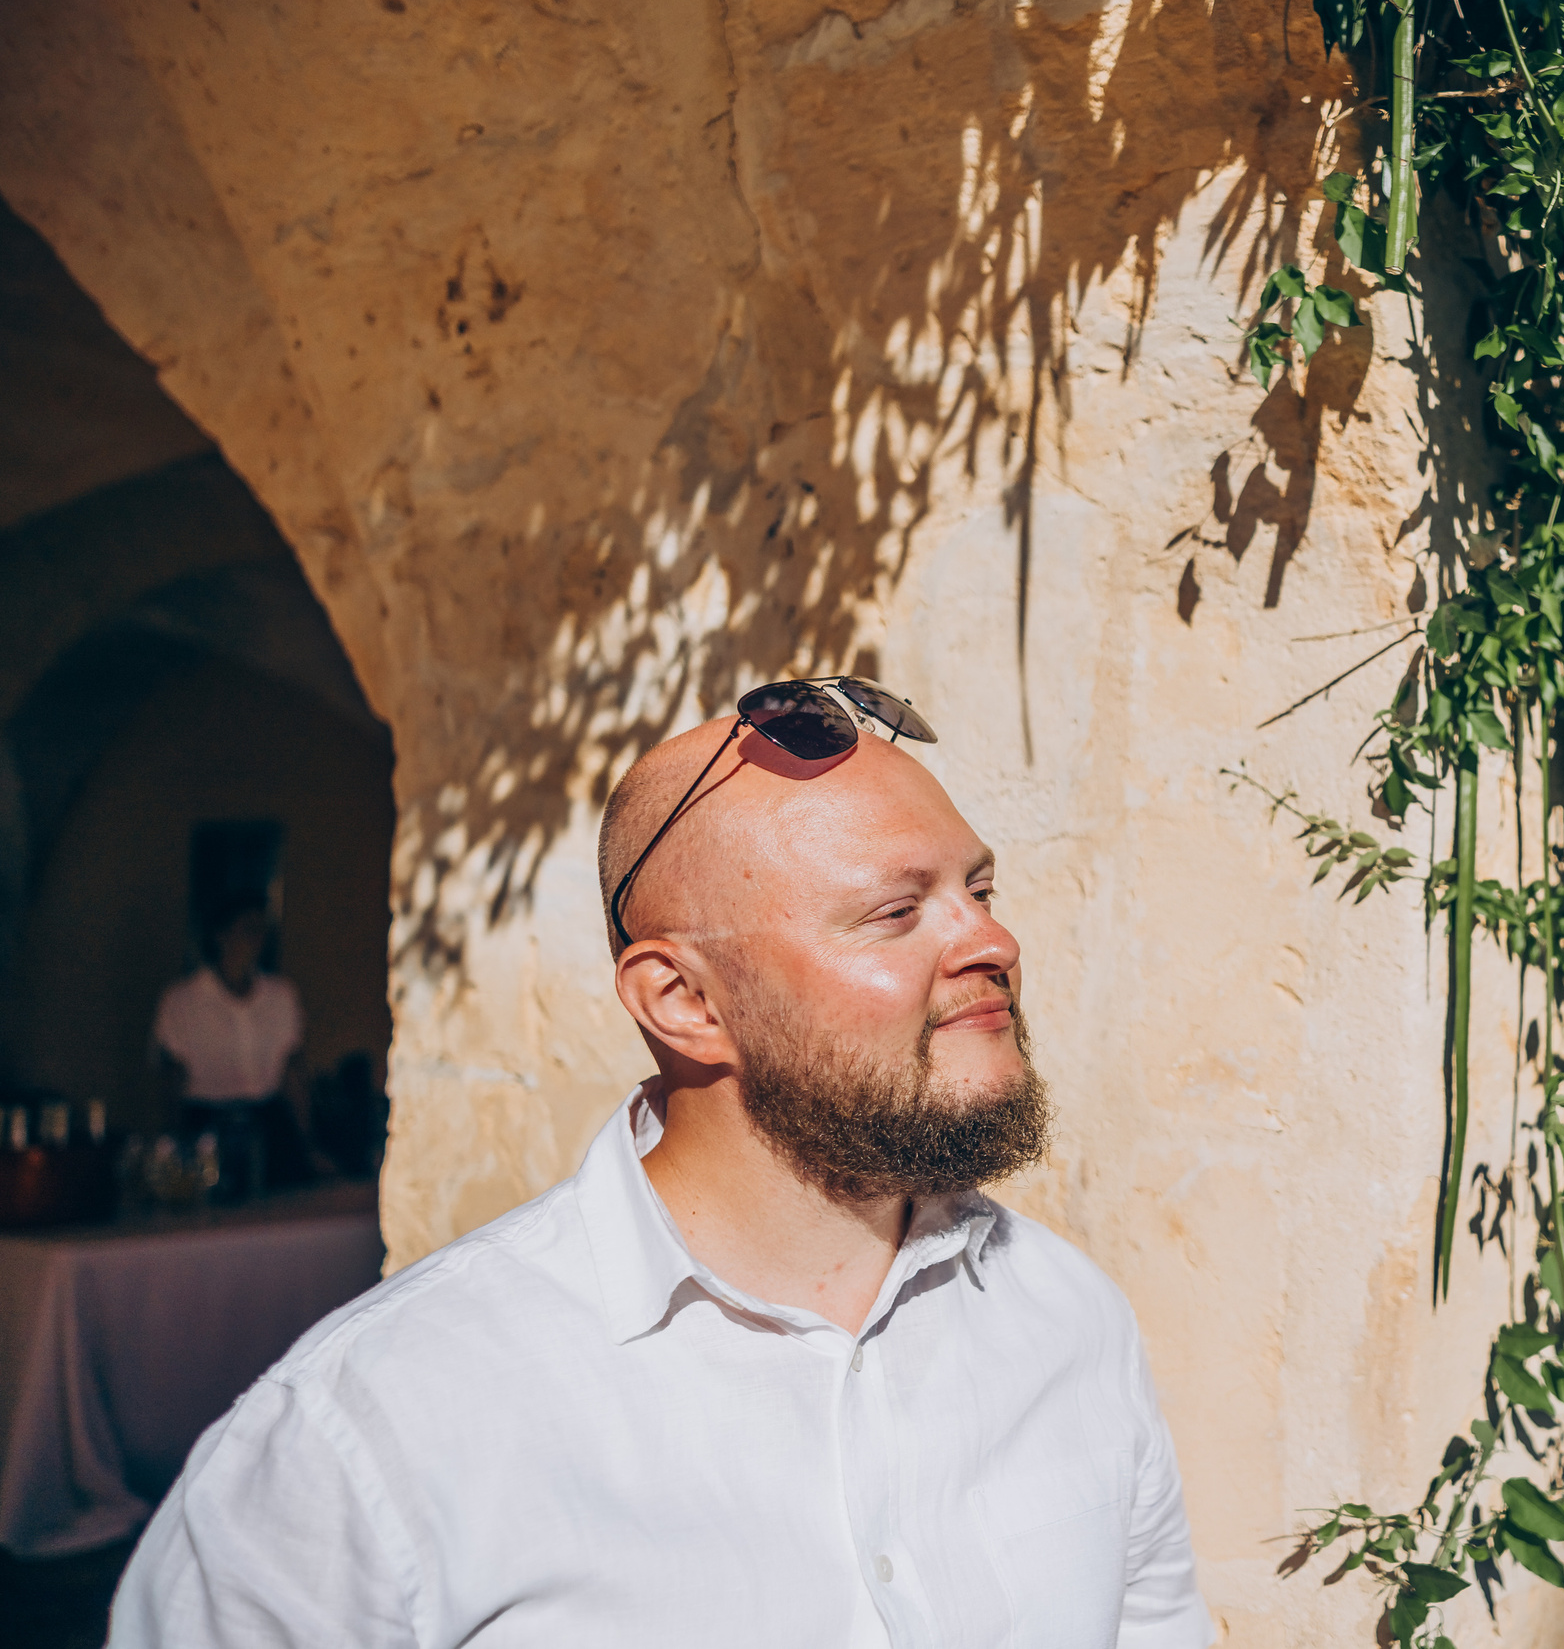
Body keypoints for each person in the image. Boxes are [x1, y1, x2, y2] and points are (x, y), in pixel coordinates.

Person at [109, 678, 1211, 1648]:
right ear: (683, 1002)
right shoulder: (365, 1440)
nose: (990, 942)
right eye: (893, 911)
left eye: (981, 890)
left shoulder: (1071, 1326)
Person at [153, 894, 310, 1195]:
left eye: (262, 930)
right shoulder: (184, 1000)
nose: (258, 939)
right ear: (221, 935)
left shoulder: (280, 996)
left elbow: (293, 1071)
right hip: (208, 1124)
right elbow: (172, 1076)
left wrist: (304, 1140)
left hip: (269, 1122)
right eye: (248, 929)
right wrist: (177, 1142)